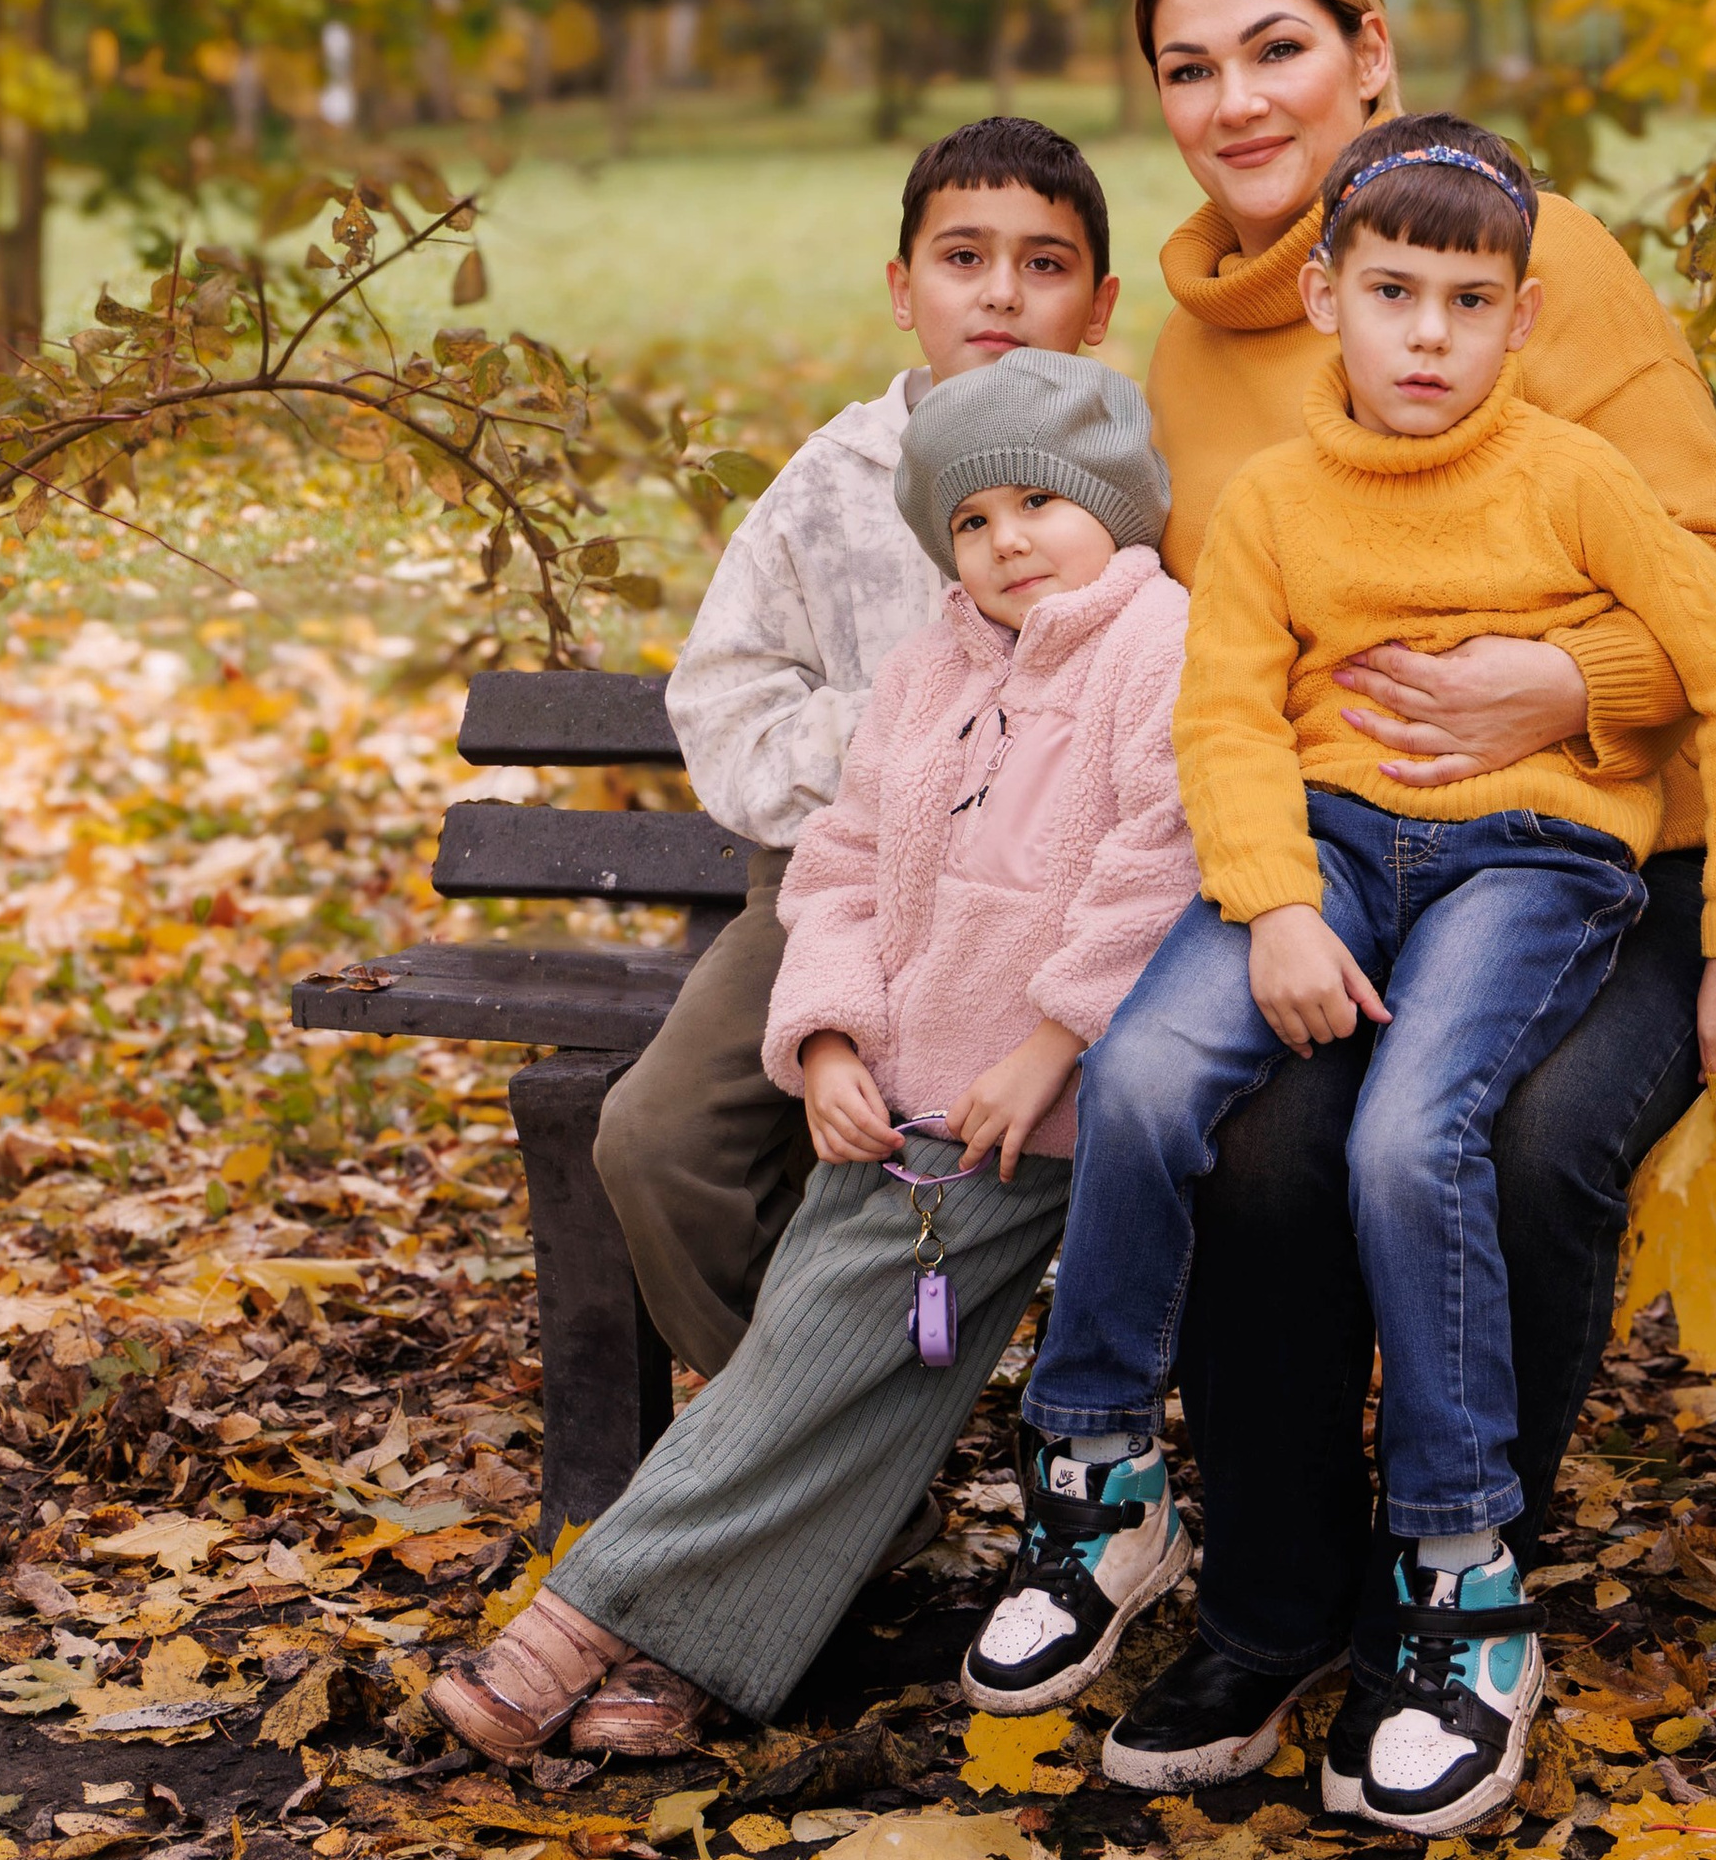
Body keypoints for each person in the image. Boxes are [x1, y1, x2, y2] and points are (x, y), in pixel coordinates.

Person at [964, 117, 1716, 1833]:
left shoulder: (1571, 475)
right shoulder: (1273, 496)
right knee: (1142, 1076)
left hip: (1534, 855)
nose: (1427, 335)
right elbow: (1223, 713)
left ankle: (1454, 1571)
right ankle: (1097, 1466)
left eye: (1467, 303)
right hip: (1331, 853)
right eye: (1394, 295)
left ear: (1517, 315)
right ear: (1329, 301)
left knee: (1405, 1139)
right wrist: (1271, 904)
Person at [427, 352, 1198, 1759]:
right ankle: (691, 1656)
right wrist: (827, 1031)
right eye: (969, 521)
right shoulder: (924, 672)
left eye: (1038, 501)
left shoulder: (1156, 647)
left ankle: (583, 1618)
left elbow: (1159, 863)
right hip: (901, 1108)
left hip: (1044, 1107)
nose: (1006, 538)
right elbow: (834, 869)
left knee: (806, 1364)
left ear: (1115, 505)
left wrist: (1049, 1045)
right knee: (822, 1373)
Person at [591, 116, 1118, 1399]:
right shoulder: (831, 485)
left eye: (1045, 265)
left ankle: (1059, 1447)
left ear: (1099, 308)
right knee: (654, 1141)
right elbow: (723, 705)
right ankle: (814, 1439)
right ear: (903, 290)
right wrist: (900, 742)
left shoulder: (1128, 470)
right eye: (963, 258)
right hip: (846, 884)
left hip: (1075, 898)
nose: (1002, 291)